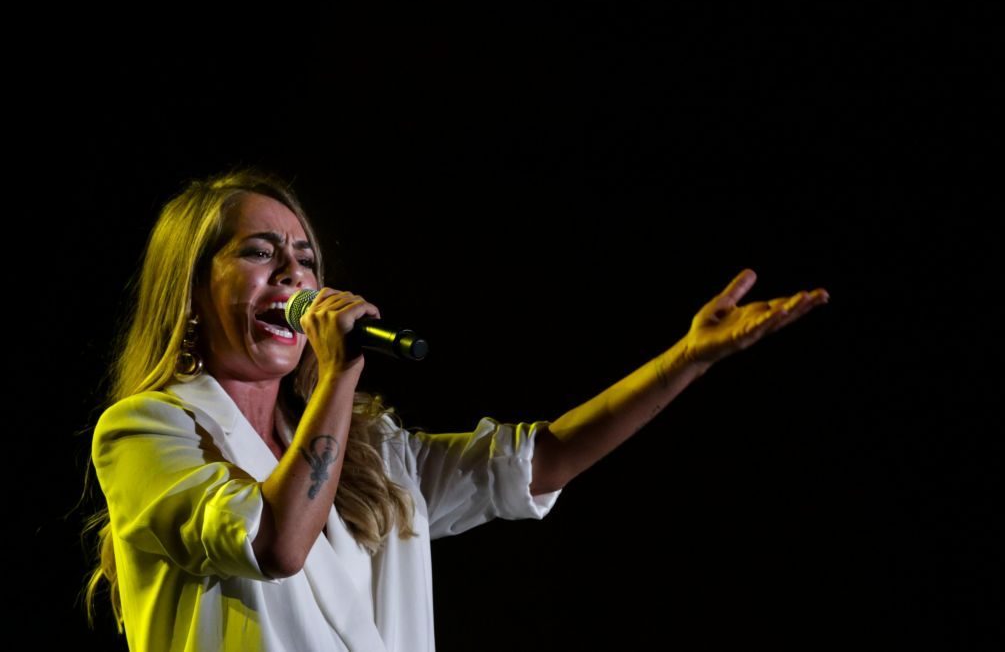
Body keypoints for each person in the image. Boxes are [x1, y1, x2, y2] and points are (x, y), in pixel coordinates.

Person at [81, 167, 829, 651]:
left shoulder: (369, 451)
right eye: (257, 252)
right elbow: (276, 546)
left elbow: (540, 460)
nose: (292, 272)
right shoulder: (149, 431)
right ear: (190, 289)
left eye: (306, 257)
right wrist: (340, 373)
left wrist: (686, 359)